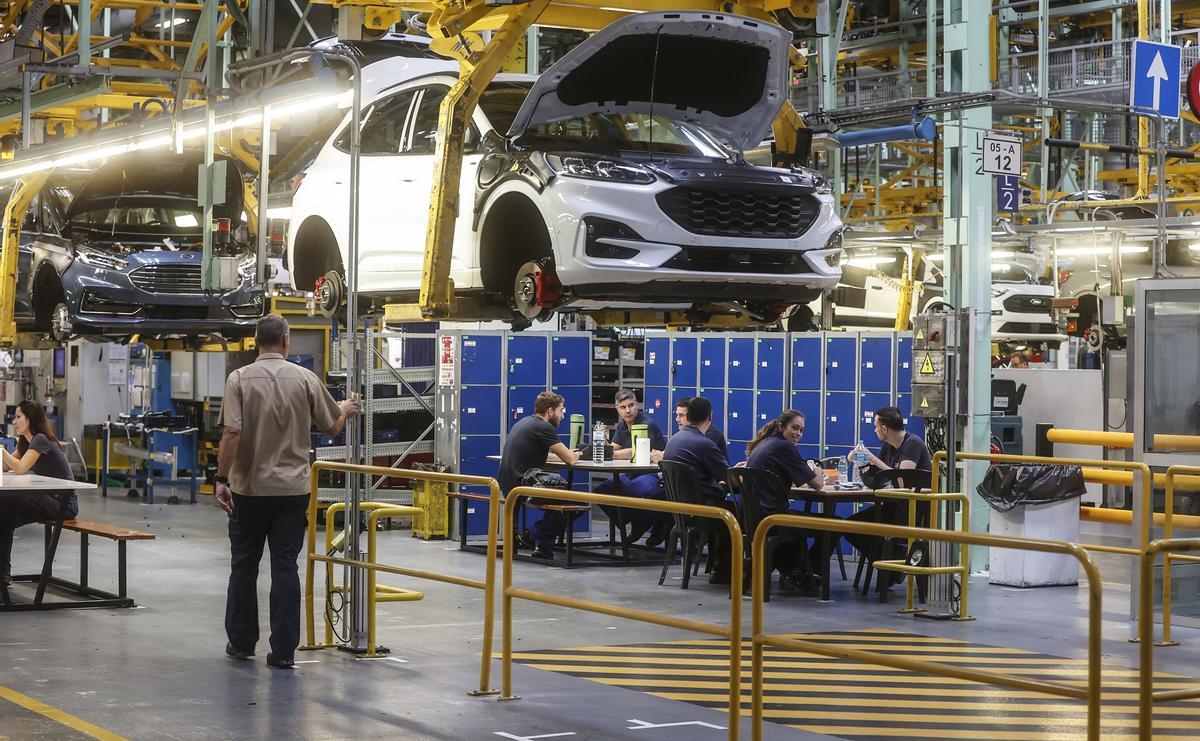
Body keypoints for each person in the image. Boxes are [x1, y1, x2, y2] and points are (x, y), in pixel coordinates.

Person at [215, 314, 360, 669]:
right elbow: (332, 427)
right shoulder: (305, 378)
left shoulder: (239, 379)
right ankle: (282, 651)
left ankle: (241, 641)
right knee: (285, 567)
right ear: (285, 341)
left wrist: (221, 478)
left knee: (244, 566)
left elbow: (231, 433)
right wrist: (345, 409)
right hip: (292, 491)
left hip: (249, 489)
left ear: (255, 340)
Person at [744, 410, 833, 594]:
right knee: (834, 526)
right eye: (794, 428)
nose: (798, 434)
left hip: (755, 518)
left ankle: (794, 572)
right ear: (781, 427)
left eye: (801, 430)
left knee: (799, 525)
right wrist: (816, 469)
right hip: (775, 519)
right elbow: (817, 484)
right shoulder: (785, 447)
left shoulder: (765, 444)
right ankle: (807, 574)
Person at [0, 401, 76, 587]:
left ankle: (2, 576)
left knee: (7, 502)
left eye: (18, 417)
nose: (14, 421)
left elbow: (19, 469)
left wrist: (1, 449)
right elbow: (6, 467)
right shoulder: (25, 442)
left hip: (63, 503)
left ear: (30, 419)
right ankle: (3, 576)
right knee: (3, 519)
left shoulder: (40, 440)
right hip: (46, 498)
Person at [498, 391, 581, 561]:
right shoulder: (545, 427)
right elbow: (571, 460)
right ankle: (537, 539)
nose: (563, 415)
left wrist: (566, 454)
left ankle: (536, 539)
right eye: (561, 411)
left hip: (508, 483)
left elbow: (546, 455)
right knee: (577, 504)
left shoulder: (525, 422)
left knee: (562, 497)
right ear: (550, 411)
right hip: (524, 486)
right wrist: (578, 454)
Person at [662, 396, 735, 584]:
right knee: (738, 516)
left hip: (680, 511)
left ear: (688, 416)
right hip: (699, 511)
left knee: (728, 510)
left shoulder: (674, 439)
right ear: (710, 417)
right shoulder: (704, 443)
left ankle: (720, 567)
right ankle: (724, 571)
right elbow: (730, 478)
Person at [844, 405, 933, 559]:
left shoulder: (912, 444)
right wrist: (862, 461)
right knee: (849, 526)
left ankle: (893, 561)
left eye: (875, 427)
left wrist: (873, 458)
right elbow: (880, 475)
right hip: (893, 506)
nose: (874, 430)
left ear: (884, 429)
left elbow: (902, 482)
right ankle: (893, 558)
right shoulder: (888, 446)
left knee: (855, 527)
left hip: (912, 512)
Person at [594, 390, 667, 546]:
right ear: (617, 409)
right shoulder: (622, 426)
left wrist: (612, 453)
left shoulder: (646, 424)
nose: (628, 410)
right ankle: (636, 521)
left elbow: (635, 450)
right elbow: (613, 449)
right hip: (631, 474)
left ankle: (643, 524)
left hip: (652, 474)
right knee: (600, 492)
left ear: (637, 405)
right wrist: (604, 440)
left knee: (634, 491)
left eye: (631, 405)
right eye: (623, 407)